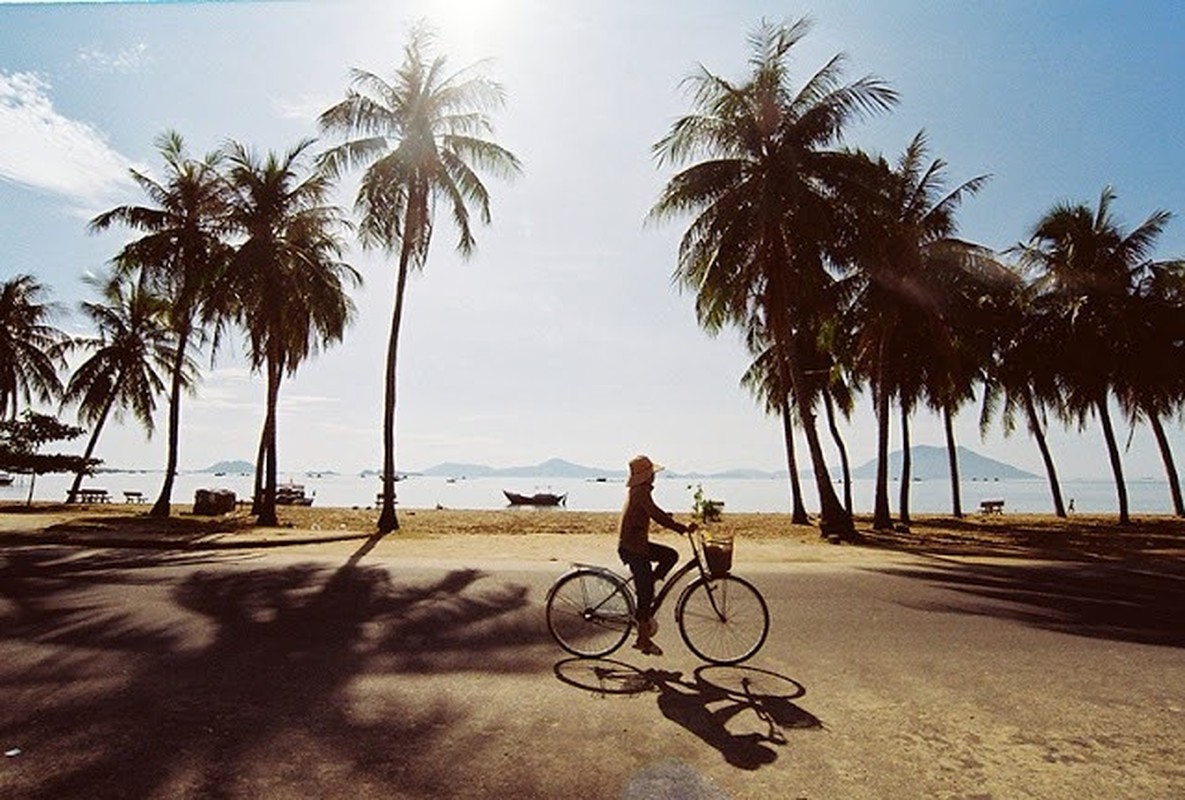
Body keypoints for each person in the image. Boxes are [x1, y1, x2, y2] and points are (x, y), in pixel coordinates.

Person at [618, 454, 696, 656]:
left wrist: (669, 518)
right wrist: (680, 527)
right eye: (651, 473)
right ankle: (643, 639)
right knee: (646, 595)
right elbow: (654, 513)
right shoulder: (640, 492)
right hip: (633, 548)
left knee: (670, 556)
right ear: (646, 476)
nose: (654, 476)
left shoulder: (640, 491)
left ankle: (648, 584)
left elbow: (653, 512)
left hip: (637, 545)